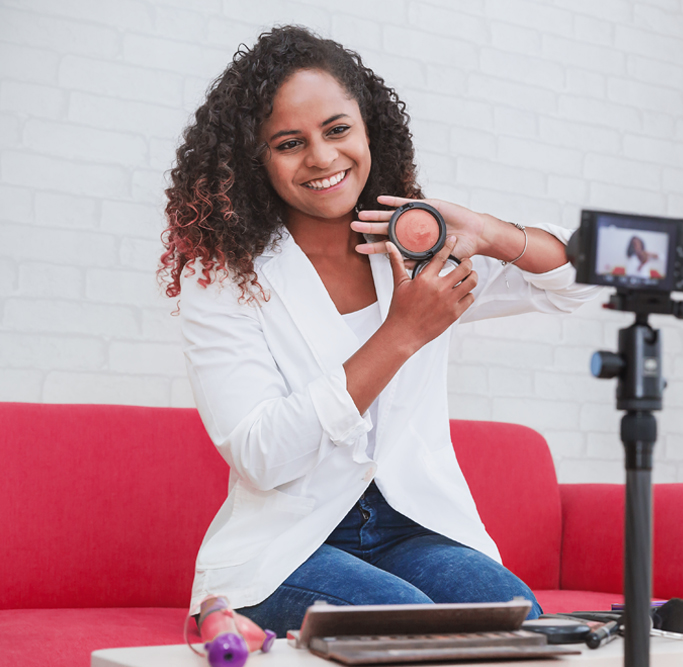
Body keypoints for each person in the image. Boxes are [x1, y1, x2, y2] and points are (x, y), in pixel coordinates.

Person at [159, 26, 599, 636]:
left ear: (368, 129)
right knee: (410, 625)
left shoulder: (417, 244)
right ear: (255, 160)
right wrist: (401, 334)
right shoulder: (228, 278)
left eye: (337, 129)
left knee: (519, 621)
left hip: (413, 527)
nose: (321, 157)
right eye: (290, 143)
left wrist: (489, 231)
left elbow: (577, 282)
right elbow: (262, 455)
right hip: (292, 544)